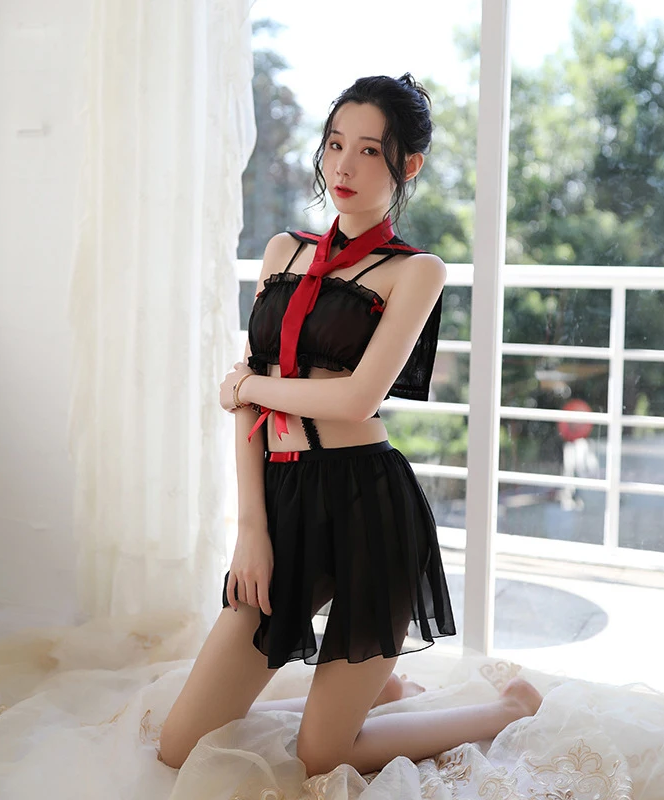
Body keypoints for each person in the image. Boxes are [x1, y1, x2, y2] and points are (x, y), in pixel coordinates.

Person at [158, 73, 541, 777]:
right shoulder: (283, 252)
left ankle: (505, 709)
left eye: (369, 151)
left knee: (321, 757)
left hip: (369, 510)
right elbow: (251, 411)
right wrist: (251, 529)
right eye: (336, 145)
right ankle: (381, 690)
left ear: (407, 165)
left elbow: (358, 399)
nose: (344, 166)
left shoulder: (416, 272)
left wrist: (246, 384)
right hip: (282, 500)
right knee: (178, 747)